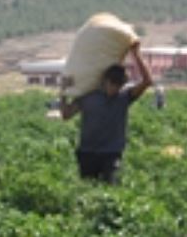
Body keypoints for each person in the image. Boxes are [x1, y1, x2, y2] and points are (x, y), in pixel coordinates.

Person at [59, 44, 153, 183]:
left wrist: (136, 54)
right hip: (87, 152)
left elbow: (147, 81)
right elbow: (66, 115)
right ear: (104, 81)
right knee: (88, 193)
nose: (114, 89)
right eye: (112, 84)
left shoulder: (124, 97)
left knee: (112, 188)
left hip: (111, 153)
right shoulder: (88, 96)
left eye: (118, 85)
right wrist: (63, 92)